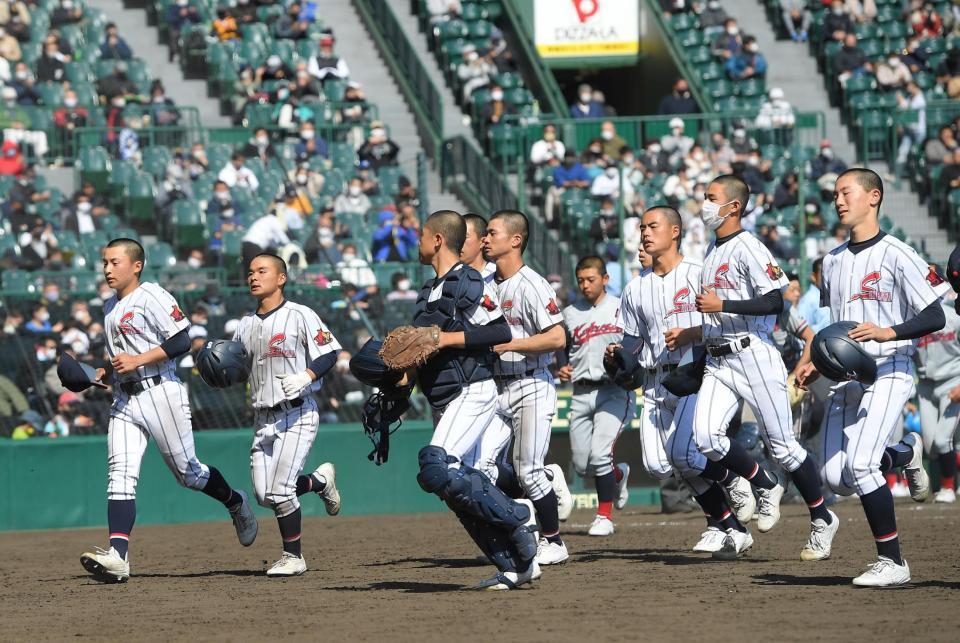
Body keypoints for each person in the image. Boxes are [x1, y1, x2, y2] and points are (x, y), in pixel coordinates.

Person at [796, 169, 947, 586]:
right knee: (834, 479)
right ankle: (903, 453)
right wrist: (815, 359)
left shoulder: (899, 253)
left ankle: (893, 561)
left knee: (861, 465)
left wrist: (889, 331)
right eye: (835, 195)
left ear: (874, 196)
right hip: (847, 375)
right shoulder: (831, 261)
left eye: (846, 192)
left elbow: (935, 314)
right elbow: (834, 327)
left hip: (889, 367)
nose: (838, 200)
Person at [77, 238, 257, 583]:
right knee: (120, 474)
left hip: (161, 392)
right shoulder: (108, 306)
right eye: (104, 263)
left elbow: (181, 340)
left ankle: (235, 501)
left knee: (188, 474)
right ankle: (118, 557)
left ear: (137, 265)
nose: (107, 269)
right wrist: (104, 372)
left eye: (115, 262)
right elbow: (121, 359)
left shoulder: (154, 296)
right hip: (125, 399)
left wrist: (136, 361)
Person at [686, 174, 839, 561]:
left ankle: (822, 516)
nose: (704, 204)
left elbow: (775, 303)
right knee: (705, 438)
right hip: (719, 359)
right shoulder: (712, 249)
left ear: (733, 206)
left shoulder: (748, 246)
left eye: (711, 197)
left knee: (785, 448)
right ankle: (763, 480)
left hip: (753, 353)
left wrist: (724, 306)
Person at [396, 209, 539, 590]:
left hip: (473, 390)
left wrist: (444, 339)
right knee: (450, 485)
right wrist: (397, 384)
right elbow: (423, 351)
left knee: (437, 465)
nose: (418, 241)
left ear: (438, 239)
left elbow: (499, 330)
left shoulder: (469, 281)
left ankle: (518, 514)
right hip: (445, 396)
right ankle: (515, 565)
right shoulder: (428, 291)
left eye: (422, 234)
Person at [618, 206, 751, 555]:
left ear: (675, 231)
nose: (645, 232)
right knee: (660, 465)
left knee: (685, 456)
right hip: (655, 380)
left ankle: (733, 487)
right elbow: (633, 341)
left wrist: (693, 331)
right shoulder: (634, 288)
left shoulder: (698, 272)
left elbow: (725, 322)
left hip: (694, 373)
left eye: (653, 226)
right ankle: (732, 524)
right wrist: (619, 356)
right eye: (642, 227)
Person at [230, 253, 343, 576]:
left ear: (281, 278)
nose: (254, 276)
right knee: (265, 495)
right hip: (262, 418)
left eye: (262, 271)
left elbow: (330, 351)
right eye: (250, 272)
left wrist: (306, 376)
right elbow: (237, 368)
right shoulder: (245, 325)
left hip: (297, 414)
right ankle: (319, 481)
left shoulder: (299, 314)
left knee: (281, 490)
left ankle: (294, 556)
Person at [480, 210, 572, 566]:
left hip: (531, 383)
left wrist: (510, 345)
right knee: (480, 468)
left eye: (492, 233)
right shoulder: (487, 282)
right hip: (495, 387)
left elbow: (557, 335)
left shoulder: (531, 283)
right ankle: (525, 513)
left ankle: (554, 541)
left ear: (515, 240)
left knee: (527, 470)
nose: (486, 239)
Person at [558, 256, 633, 536]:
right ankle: (618, 475)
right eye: (581, 280)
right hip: (580, 392)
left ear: (605, 279)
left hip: (613, 390)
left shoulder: (621, 308)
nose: (585, 285)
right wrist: (561, 367)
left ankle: (604, 516)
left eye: (591, 279)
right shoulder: (569, 313)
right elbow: (561, 350)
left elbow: (635, 345)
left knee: (601, 454)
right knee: (582, 466)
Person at [894, 81, 926, 174]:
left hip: (919, 130)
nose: (909, 88)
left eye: (911, 86)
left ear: (916, 87)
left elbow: (909, 108)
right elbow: (901, 107)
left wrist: (901, 100)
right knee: (902, 151)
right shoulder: (910, 97)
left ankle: (916, 173)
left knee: (915, 152)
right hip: (909, 130)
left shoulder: (920, 99)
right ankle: (897, 175)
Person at [796, 257, 831, 333]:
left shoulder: (833, 296)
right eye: (824, 274)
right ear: (813, 277)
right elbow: (800, 334)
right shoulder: (809, 299)